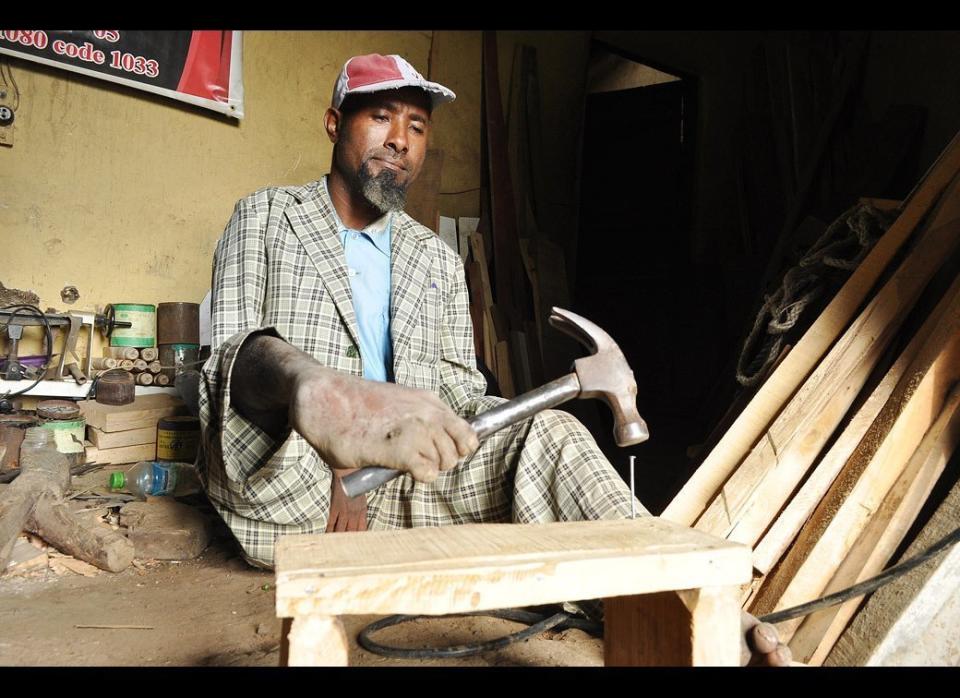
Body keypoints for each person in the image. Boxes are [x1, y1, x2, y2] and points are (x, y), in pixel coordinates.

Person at [198, 53, 790, 666]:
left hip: (414, 484)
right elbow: (229, 370)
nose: (400, 140)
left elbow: (460, 399)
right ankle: (318, 396)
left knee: (551, 432)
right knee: (265, 364)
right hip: (299, 488)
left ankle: (690, 606)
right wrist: (324, 411)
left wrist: (512, 422)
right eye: (380, 117)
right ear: (333, 124)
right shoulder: (265, 219)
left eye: (418, 127)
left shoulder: (437, 262)